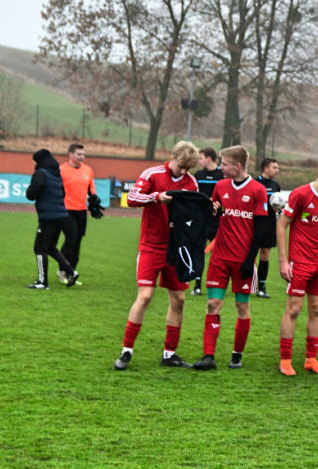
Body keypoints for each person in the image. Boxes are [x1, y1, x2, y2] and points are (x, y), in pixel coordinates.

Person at [114, 141, 201, 369]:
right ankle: (126, 351)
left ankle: (169, 354)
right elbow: (132, 198)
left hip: (176, 248)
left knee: (179, 300)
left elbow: (193, 213)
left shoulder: (191, 182)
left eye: (188, 168)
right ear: (171, 157)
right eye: (181, 166)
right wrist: (156, 197)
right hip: (151, 246)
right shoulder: (152, 174)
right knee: (145, 297)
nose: (184, 172)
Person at [193, 145, 268, 370]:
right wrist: (212, 211)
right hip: (220, 258)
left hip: (243, 260)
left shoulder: (258, 190)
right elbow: (214, 215)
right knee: (213, 303)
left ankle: (237, 354)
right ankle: (208, 356)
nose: (221, 168)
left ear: (237, 165)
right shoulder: (220, 186)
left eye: (224, 164)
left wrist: (249, 259)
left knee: (241, 307)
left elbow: (262, 229)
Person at [276, 157, 318, 376]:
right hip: (299, 262)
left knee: (317, 309)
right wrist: (284, 262)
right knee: (294, 309)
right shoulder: (301, 194)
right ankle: (285, 361)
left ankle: (310, 359)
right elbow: (282, 226)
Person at [25, 148, 78, 289]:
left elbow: (32, 193)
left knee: (39, 248)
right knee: (50, 247)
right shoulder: (56, 174)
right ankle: (71, 271)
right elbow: (62, 193)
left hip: (48, 217)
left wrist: (29, 191)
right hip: (61, 215)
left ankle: (43, 282)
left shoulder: (40, 173)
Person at [58, 143, 102, 283]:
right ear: (70, 154)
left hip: (81, 211)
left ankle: (71, 273)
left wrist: (94, 198)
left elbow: (91, 189)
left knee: (77, 242)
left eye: (83, 154)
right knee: (71, 238)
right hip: (66, 210)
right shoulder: (61, 170)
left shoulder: (88, 170)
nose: (82, 157)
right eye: (79, 154)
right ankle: (63, 270)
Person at [191, 147, 224, 296]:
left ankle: (216, 284)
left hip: (217, 220)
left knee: (217, 254)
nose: (199, 161)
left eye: (201, 157)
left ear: (209, 158)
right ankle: (197, 285)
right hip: (201, 219)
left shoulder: (222, 175)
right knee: (199, 251)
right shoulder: (198, 175)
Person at [255, 157, 281, 298]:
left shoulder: (276, 186)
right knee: (251, 254)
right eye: (274, 167)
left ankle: (262, 287)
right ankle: (248, 284)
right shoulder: (254, 183)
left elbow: (277, 205)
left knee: (265, 255)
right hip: (254, 225)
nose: (277, 170)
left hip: (269, 225)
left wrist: (278, 209)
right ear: (266, 168)